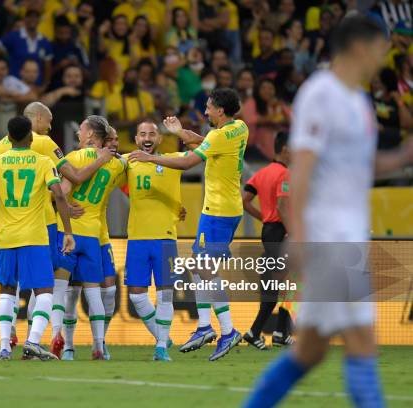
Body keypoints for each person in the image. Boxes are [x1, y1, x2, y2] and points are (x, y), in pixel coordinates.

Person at [243, 15, 413, 407]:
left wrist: (404, 155)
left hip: (347, 234)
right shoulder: (321, 94)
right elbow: (301, 169)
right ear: (359, 46)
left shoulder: (356, 99)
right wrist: (301, 237)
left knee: (310, 352)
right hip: (330, 237)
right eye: (381, 48)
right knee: (362, 343)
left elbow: (360, 163)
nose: (384, 57)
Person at [129, 87, 248, 361]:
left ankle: (227, 330)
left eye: (208, 107)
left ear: (219, 110)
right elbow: (203, 141)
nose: (205, 111)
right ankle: (205, 326)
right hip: (227, 208)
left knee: (204, 270)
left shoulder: (219, 136)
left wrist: (150, 158)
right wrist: (180, 132)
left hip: (218, 211)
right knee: (197, 265)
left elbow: (189, 162)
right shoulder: (239, 128)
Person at [0, 103, 114, 356]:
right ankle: (39, 338)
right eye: (48, 121)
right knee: (43, 285)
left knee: (10, 285)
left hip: (8, 224)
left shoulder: (1, 147)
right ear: (37, 118)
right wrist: (102, 159)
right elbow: (77, 177)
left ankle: (10, 336)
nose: (50, 126)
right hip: (43, 224)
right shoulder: (46, 144)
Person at [0, 115, 74, 361]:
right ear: (30, 137)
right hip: (36, 236)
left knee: (7, 291)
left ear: (8, 137)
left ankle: (4, 346)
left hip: (7, 237)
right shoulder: (43, 162)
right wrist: (68, 232)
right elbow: (59, 195)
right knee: (45, 291)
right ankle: (33, 341)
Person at [55, 115, 127, 360]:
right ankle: (98, 346)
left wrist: (67, 205)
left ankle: (67, 347)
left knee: (67, 293)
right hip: (94, 235)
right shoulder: (116, 165)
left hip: (69, 234)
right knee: (94, 293)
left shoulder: (73, 158)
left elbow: (62, 192)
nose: (78, 132)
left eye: (81, 128)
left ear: (89, 135)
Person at [123, 121, 187, 362]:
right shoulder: (127, 162)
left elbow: (202, 150)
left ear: (160, 139)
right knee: (137, 296)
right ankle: (162, 335)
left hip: (165, 238)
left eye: (152, 134)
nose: (147, 138)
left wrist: (180, 131)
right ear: (136, 139)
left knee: (165, 295)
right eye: (142, 134)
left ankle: (161, 346)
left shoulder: (172, 160)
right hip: (137, 237)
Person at [242, 131, 294, 350]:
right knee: (287, 285)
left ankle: (277, 332)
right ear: (284, 149)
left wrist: (264, 217)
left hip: (269, 231)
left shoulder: (262, 173)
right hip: (281, 232)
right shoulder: (286, 174)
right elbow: (283, 207)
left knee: (282, 284)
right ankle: (261, 332)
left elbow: (244, 201)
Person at [0, 9, 53, 90]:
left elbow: (48, 67)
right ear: (24, 19)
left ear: (39, 20)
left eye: (36, 17)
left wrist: (44, 86)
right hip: (14, 86)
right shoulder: (13, 36)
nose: (33, 19)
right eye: (30, 17)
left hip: (36, 87)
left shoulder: (45, 41)